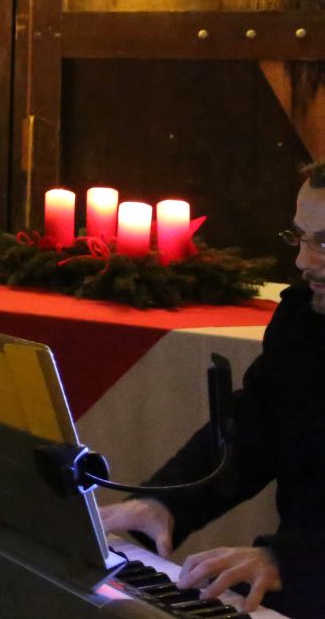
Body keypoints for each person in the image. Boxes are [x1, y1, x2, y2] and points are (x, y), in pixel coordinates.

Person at [100, 163, 325, 618]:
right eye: (300, 237)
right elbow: (252, 432)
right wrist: (164, 502)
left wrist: (292, 560)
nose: (303, 262)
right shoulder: (305, 323)